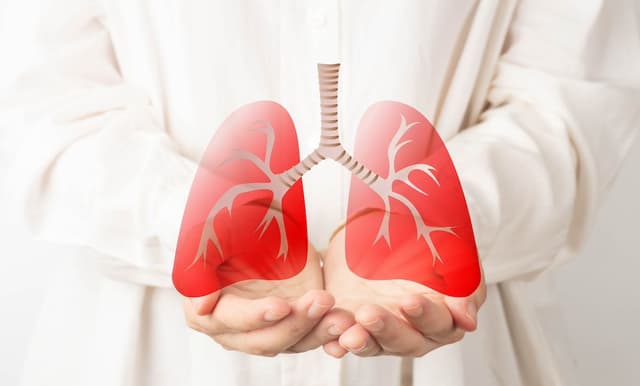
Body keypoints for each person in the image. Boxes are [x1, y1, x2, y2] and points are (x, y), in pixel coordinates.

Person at [0, 0, 638, 385]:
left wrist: (424, 237)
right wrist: (206, 235)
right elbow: (50, 106)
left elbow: (571, 108)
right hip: (146, 355)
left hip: (460, 353)